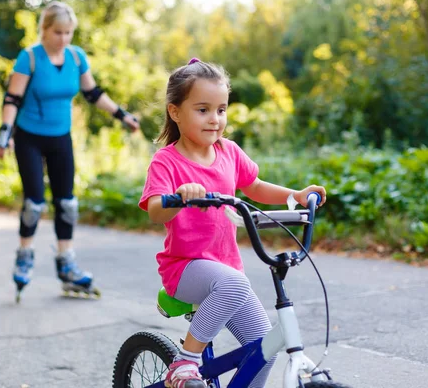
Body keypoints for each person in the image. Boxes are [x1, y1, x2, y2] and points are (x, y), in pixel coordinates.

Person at [138, 58, 327, 388]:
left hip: (226, 269)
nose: (215, 119)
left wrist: (295, 195)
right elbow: (155, 209)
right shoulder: (166, 161)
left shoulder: (229, 152)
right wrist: (180, 197)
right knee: (234, 284)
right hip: (185, 268)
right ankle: (186, 360)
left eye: (221, 110)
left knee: (264, 347)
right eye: (203, 110)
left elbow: (253, 186)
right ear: (175, 111)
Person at [0, 1, 140, 300]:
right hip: (29, 137)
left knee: (67, 203)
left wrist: (122, 115)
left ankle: (67, 265)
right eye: (58, 32)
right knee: (35, 203)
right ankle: (24, 253)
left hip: (61, 137)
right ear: (44, 30)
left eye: (69, 32)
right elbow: (12, 99)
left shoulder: (76, 57)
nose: (63, 38)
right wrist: (4, 134)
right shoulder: (29, 58)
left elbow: (92, 93)